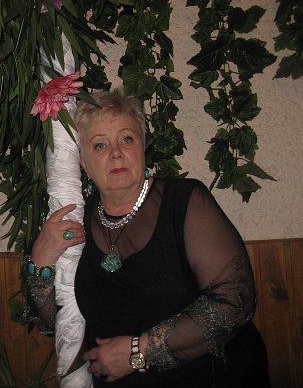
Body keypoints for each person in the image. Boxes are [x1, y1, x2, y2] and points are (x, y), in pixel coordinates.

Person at [26, 90, 269, 387]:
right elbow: (55, 324)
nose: (116, 153)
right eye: (100, 144)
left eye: (126, 139)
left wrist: (137, 351)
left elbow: (235, 300)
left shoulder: (184, 201)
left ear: (142, 147)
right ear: (84, 164)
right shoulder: (75, 221)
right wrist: (40, 262)